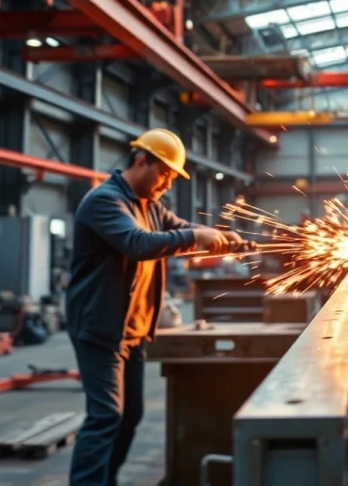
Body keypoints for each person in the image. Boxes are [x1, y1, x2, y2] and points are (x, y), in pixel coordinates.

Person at [66, 128, 242, 486]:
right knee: (104, 417)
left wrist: (216, 236)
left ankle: (106, 479)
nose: (167, 185)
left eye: (172, 178)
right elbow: (138, 243)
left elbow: (180, 227)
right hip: (100, 328)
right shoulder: (105, 201)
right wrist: (197, 238)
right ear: (141, 160)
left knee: (129, 416)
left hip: (134, 329)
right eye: (164, 174)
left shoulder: (150, 206)